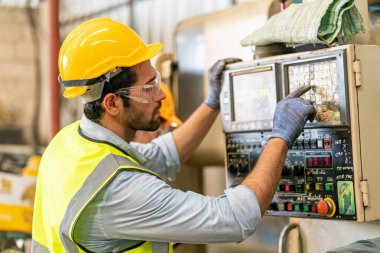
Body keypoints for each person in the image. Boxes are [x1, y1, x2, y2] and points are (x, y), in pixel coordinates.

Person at [32, 17, 316, 253]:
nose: (162, 94)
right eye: (148, 87)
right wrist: (281, 136)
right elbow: (236, 218)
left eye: (156, 80)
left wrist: (212, 103)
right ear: (112, 103)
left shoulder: (70, 144)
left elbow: (162, 154)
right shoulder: (119, 191)